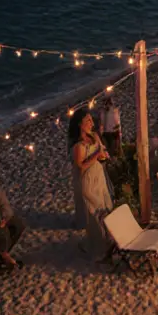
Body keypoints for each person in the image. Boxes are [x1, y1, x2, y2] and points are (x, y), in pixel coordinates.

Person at [69, 109, 114, 258]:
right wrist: (97, 155)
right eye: (88, 121)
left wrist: (104, 156)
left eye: (91, 120)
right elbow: (81, 165)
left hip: (99, 177)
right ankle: (97, 244)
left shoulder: (94, 136)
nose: (92, 123)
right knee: (95, 214)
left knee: (106, 207)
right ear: (80, 125)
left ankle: (109, 239)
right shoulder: (78, 146)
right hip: (87, 181)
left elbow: (102, 152)